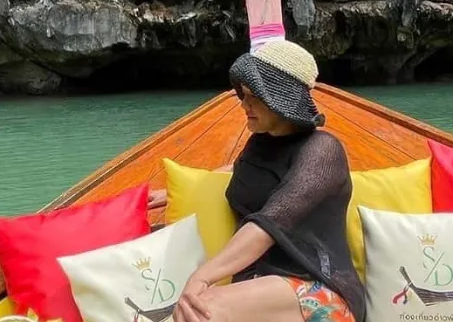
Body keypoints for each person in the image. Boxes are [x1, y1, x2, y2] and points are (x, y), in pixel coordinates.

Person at [149, 40, 365, 322]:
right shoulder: (260, 143)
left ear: (281, 99)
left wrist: (203, 276)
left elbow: (269, 223)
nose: (244, 104)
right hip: (262, 284)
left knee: (202, 308)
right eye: (244, 94)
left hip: (320, 289)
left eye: (255, 96)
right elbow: (243, 170)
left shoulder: (323, 151)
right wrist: (174, 191)